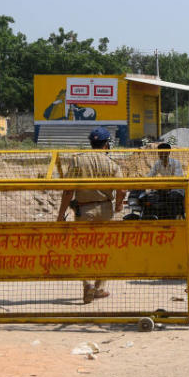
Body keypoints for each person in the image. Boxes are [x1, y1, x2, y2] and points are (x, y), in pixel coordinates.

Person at [57, 127, 125, 303]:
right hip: (105, 210)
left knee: (82, 249)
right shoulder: (112, 164)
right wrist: (118, 205)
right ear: (106, 144)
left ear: (91, 143)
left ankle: (87, 284)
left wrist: (61, 214)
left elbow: (68, 191)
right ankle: (99, 288)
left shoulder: (77, 161)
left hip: (83, 210)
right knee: (104, 249)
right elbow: (122, 189)